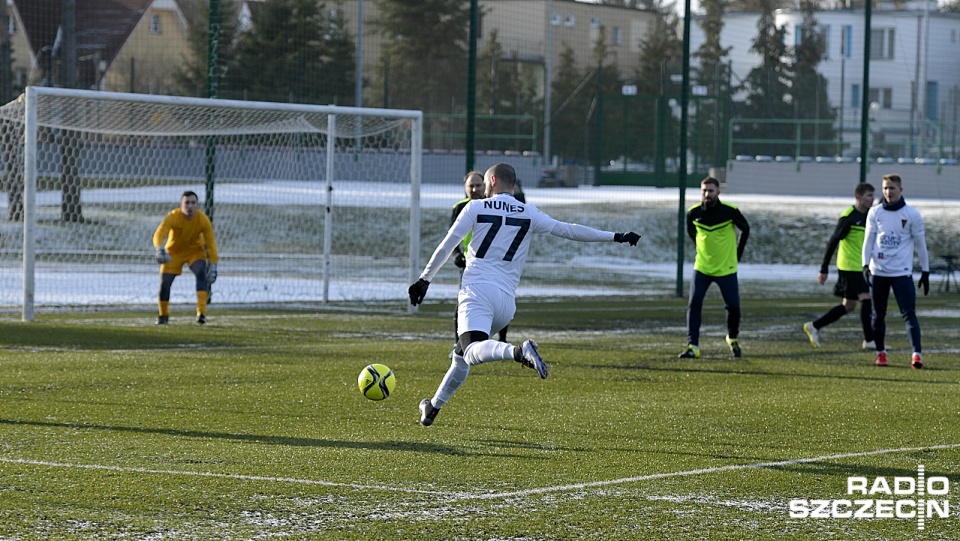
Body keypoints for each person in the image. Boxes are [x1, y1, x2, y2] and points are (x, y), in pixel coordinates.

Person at [409, 163, 640, 426]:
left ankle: (519, 352)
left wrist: (424, 280)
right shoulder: (528, 212)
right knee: (461, 357)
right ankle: (433, 408)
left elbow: (447, 244)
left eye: (484, 183)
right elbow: (570, 229)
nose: (482, 188)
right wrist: (616, 236)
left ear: (493, 180)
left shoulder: (474, 207)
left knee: (472, 349)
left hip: (477, 291)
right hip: (506, 304)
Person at [862, 174, 929, 368]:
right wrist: (865, 265)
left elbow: (920, 244)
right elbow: (868, 241)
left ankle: (916, 354)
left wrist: (925, 271)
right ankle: (881, 353)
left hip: (902, 273)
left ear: (901, 190)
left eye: (891, 188)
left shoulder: (912, 215)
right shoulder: (875, 213)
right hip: (879, 272)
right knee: (878, 315)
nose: (888, 192)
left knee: (909, 313)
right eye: (885, 188)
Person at [680, 176, 750, 359]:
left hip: (726, 269)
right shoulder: (693, 213)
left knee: (733, 307)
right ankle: (692, 346)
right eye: (704, 190)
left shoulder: (730, 211)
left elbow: (746, 229)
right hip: (702, 267)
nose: (707, 194)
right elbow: (692, 233)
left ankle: (732, 338)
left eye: (710, 190)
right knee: (694, 304)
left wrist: (737, 254)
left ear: (718, 192)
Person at [803, 183, 876, 349]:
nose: (872, 199)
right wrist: (824, 268)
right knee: (866, 298)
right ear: (858, 197)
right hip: (850, 266)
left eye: (873, 196)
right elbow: (833, 242)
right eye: (868, 196)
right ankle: (870, 340)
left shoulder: (870, 216)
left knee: (848, 306)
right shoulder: (848, 217)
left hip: (861, 266)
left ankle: (814, 326)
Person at [450, 171, 512, 342]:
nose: (475, 189)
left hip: (494, 264)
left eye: (478, 185)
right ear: (465, 188)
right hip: (469, 266)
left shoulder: (494, 206)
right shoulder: (460, 208)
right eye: (471, 186)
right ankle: (459, 345)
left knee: (500, 301)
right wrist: (456, 255)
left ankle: (502, 339)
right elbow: (452, 238)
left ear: (486, 186)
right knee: (462, 305)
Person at [153, 190, 219, 325]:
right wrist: (159, 249)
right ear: (181, 204)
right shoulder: (173, 217)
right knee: (165, 282)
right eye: (187, 203)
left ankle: (201, 313)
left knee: (201, 273)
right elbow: (159, 233)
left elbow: (211, 243)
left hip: (194, 252)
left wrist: (213, 265)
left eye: (193, 203)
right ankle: (163, 315)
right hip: (174, 252)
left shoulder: (203, 220)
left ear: (197, 205)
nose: (190, 206)